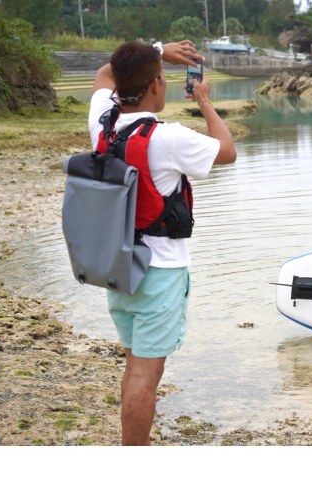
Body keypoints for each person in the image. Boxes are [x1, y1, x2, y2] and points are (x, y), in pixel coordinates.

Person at [88, 40, 236, 445]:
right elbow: (228, 152)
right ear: (155, 84)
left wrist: (156, 49)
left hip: (118, 266)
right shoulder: (168, 138)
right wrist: (205, 102)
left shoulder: (101, 120)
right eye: (163, 77)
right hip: (159, 271)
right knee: (145, 373)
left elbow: (104, 75)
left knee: (135, 363)